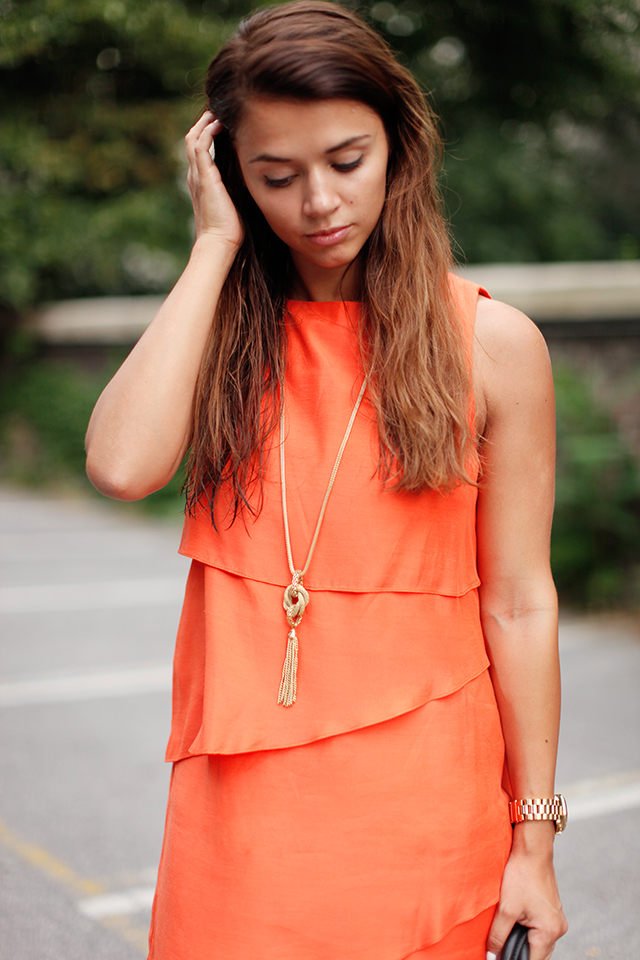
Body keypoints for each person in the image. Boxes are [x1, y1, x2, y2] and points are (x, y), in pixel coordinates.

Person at [85, 3, 568, 958]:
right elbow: (120, 465)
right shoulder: (218, 341)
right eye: (276, 175)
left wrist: (536, 842)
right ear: (232, 178)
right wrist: (212, 246)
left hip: (429, 817)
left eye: (347, 161)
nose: (319, 202)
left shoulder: (493, 346)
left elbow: (519, 603)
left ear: (399, 148)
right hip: (240, 830)